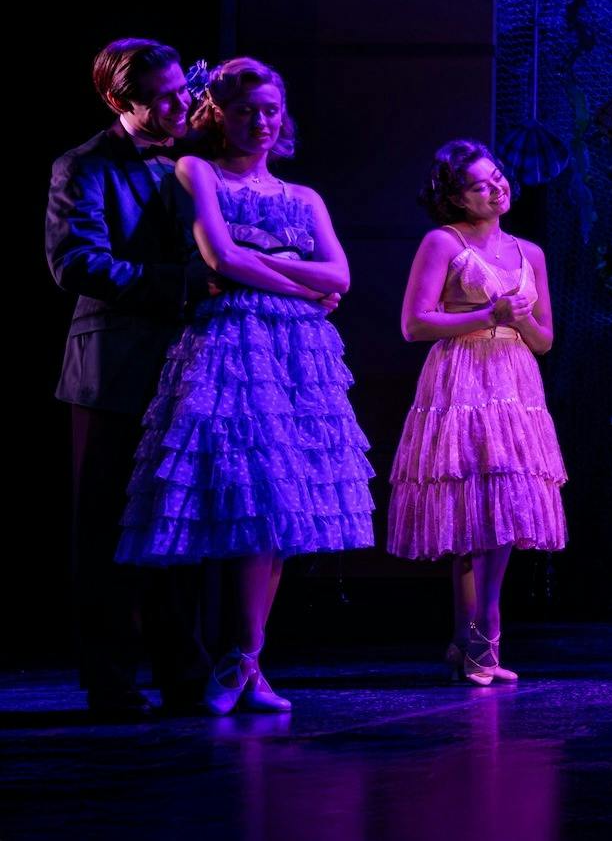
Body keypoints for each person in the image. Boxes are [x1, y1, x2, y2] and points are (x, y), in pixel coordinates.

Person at [115, 58, 375, 715]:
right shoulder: (196, 170)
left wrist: (288, 272)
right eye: (245, 111)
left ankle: (247, 660)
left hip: (301, 353)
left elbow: (340, 275)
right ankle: (235, 659)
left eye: (270, 110)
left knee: (284, 503)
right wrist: (295, 277)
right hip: (233, 342)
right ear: (218, 116)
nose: (261, 122)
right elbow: (219, 257)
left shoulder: (304, 197)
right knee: (246, 496)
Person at [47, 38, 209, 715]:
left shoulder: (193, 159)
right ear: (119, 101)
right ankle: (110, 682)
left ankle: (185, 674)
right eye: (163, 97)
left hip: (189, 366)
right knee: (108, 526)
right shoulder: (84, 165)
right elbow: (76, 263)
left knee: (181, 522)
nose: (180, 105)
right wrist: (184, 285)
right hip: (113, 367)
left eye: (182, 90)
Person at [386, 141, 567, 686]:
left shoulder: (527, 252)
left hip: (513, 381)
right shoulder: (444, 242)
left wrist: (518, 319)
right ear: (456, 196)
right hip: (461, 376)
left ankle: (484, 626)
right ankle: (472, 634)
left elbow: (544, 340)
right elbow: (414, 324)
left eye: (499, 178)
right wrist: (489, 313)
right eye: (481, 184)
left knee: (507, 500)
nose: (497, 188)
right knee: (467, 502)